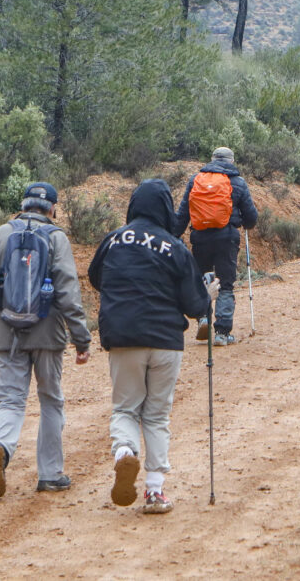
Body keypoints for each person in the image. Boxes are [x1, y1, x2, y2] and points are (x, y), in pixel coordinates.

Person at [89, 179, 214, 515]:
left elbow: (95, 277)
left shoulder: (114, 239)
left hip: (123, 338)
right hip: (165, 341)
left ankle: (125, 454)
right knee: (156, 416)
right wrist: (208, 298)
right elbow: (194, 305)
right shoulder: (174, 246)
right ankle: (155, 493)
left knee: (126, 409)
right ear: (164, 208)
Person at [0, 182, 91, 496]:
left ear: (23, 204)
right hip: (48, 333)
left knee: (10, 399)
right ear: (52, 208)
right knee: (51, 400)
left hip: (8, 330)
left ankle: (0, 446)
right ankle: (50, 474)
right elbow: (67, 292)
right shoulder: (56, 238)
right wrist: (81, 339)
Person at [172, 147, 258, 346]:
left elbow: (183, 213)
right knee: (225, 283)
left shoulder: (195, 180)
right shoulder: (238, 182)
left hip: (200, 236)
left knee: (203, 277)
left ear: (211, 160)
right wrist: (246, 223)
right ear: (231, 161)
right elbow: (251, 217)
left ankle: (202, 317)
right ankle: (221, 332)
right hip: (227, 238)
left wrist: (173, 235)